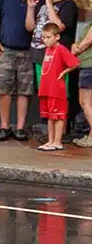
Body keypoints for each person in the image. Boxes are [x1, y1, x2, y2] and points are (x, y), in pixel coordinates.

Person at [0, 0, 42, 142]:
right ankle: (4, 127)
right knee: (3, 89)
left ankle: (20, 128)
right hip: (6, 48)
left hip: (29, 50)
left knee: (24, 91)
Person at [37, 23, 80, 151]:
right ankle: (50, 141)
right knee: (50, 116)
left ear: (57, 37)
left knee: (59, 116)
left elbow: (75, 63)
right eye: (43, 37)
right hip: (47, 88)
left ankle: (57, 142)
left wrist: (63, 72)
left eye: (48, 37)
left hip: (56, 89)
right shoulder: (47, 50)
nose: (45, 40)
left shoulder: (61, 49)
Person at [72, 12, 92, 148]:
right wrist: (75, 45)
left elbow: (87, 41)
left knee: (84, 102)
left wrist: (76, 49)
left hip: (88, 65)